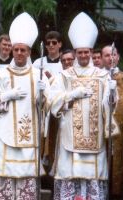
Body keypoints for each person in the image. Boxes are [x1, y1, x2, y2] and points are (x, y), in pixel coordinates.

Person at [50, 12, 119, 199]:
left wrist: (112, 91)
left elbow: (110, 105)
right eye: (79, 52)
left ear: (90, 53)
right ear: (74, 53)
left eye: (86, 52)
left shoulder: (102, 75)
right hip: (69, 138)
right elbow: (53, 101)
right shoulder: (64, 75)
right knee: (70, 178)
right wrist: (72, 94)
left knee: (92, 181)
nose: (83, 55)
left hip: (94, 139)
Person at [0, 12, 49, 199]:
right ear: (12, 50)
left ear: (29, 52)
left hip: (28, 141)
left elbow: (48, 106)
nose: (20, 53)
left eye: (23, 50)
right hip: (3, 137)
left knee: (25, 184)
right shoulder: (2, 75)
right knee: (3, 181)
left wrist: (42, 95)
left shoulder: (38, 75)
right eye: (16, 50)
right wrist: (6, 95)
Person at [101, 44, 123, 199]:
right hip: (101, 132)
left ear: (118, 57)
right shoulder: (98, 78)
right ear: (102, 58)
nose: (111, 58)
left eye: (113, 55)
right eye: (107, 55)